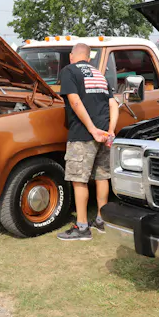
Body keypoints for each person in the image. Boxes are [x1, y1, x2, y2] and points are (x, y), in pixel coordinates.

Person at [57, 43, 119, 241]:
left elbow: (75, 102)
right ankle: (101, 220)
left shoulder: (69, 71)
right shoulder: (99, 75)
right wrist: (110, 131)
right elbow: (113, 104)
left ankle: (82, 227)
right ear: (89, 58)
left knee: (79, 180)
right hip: (104, 134)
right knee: (102, 177)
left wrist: (92, 130)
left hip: (83, 135)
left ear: (72, 56)